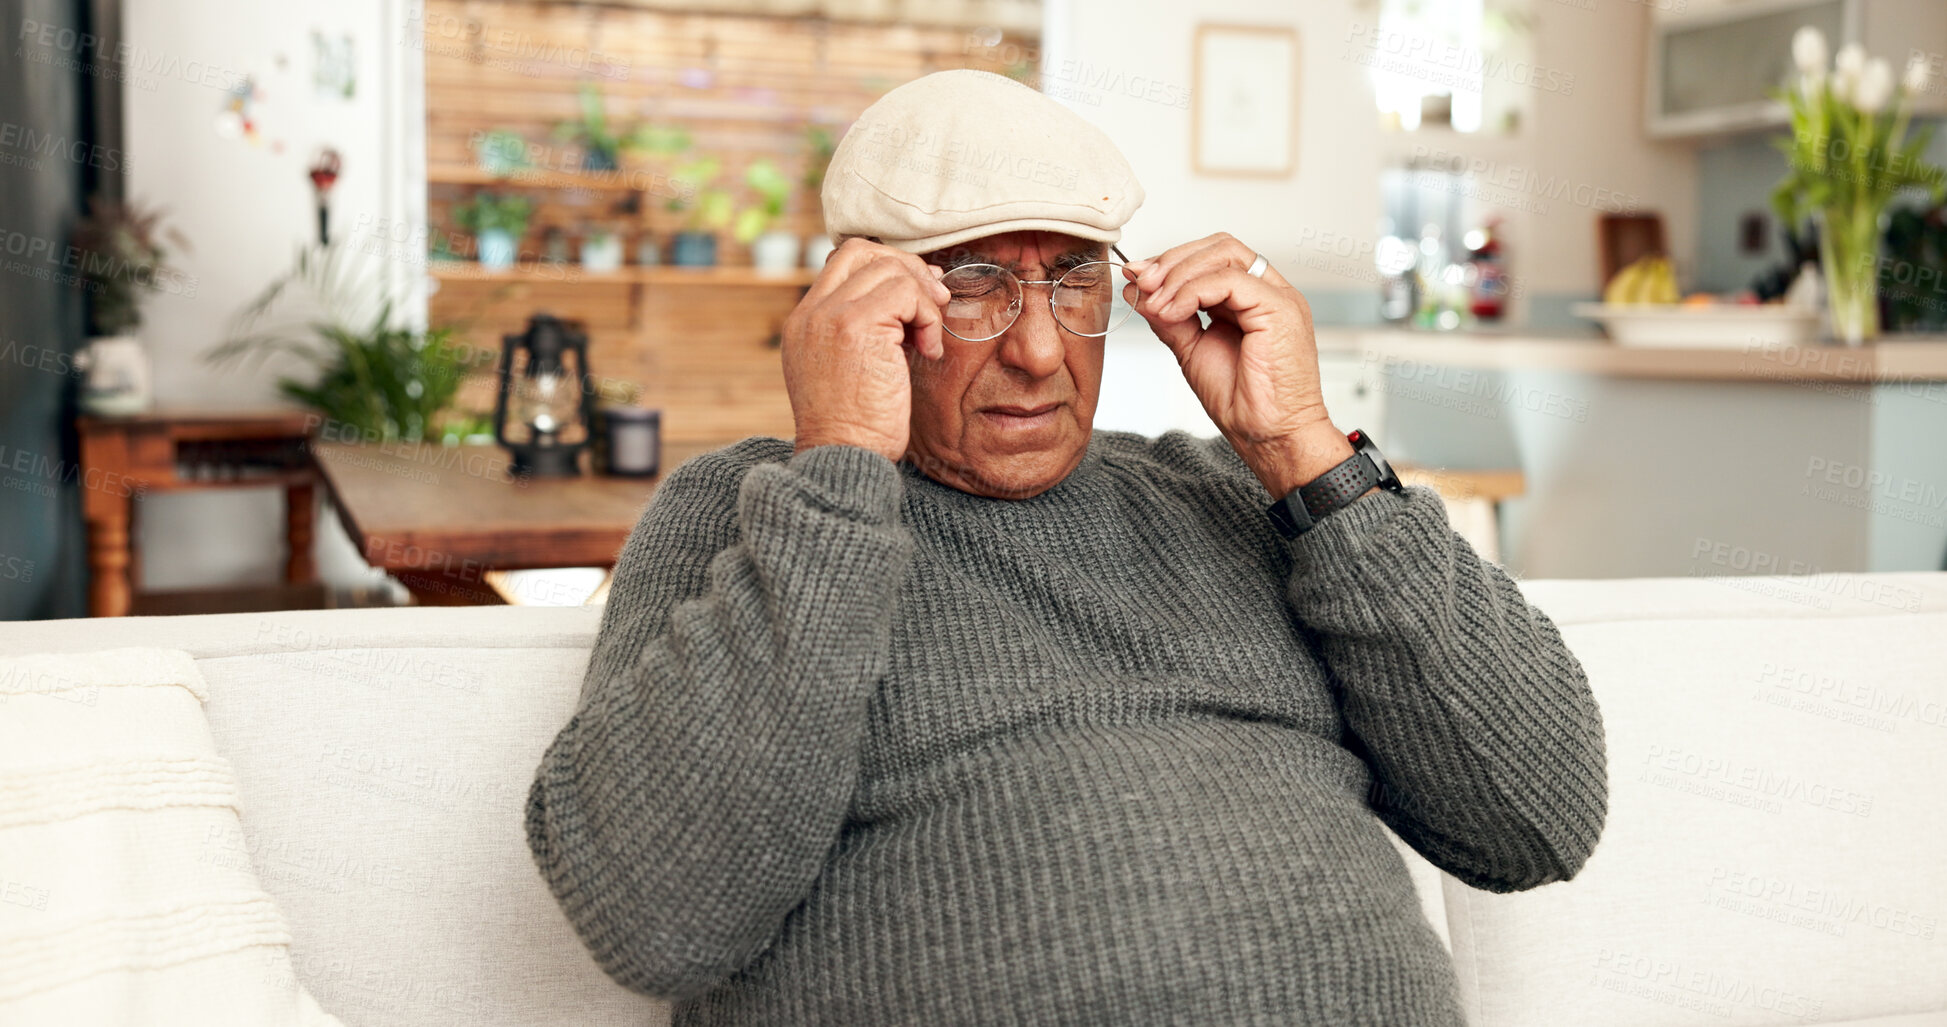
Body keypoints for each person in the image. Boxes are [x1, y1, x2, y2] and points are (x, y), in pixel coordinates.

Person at [525, 69, 1607, 1026]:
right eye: (976, 281)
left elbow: (1538, 818)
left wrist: (1302, 449)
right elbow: (654, 919)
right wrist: (846, 461)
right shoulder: (754, 511)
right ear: (868, 298)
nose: (1041, 349)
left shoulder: (1236, 493)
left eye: (1074, 277)